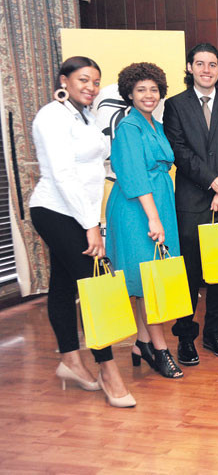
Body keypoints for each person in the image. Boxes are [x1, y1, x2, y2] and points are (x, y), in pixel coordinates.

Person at [30, 56, 135, 407]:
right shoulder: (51, 116)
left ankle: (71, 361)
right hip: (56, 210)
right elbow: (62, 175)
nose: (90, 87)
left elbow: (92, 172)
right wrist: (91, 226)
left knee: (63, 284)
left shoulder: (85, 115)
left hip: (80, 212)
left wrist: (93, 220)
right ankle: (108, 371)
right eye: (83, 80)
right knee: (96, 287)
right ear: (64, 80)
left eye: (95, 82)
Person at [163, 43, 218, 365]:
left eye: (212, 64)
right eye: (200, 64)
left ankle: (214, 335)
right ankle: (186, 338)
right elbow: (179, 151)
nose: (206, 70)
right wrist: (212, 182)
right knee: (189, 276)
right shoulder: (174, 106)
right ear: (189, 68)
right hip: (190, 202)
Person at [106, 62, 183, 380]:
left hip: (159, 204)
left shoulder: (156, 125)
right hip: (137, 210)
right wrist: (153, 218)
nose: (148, 95)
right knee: (150, 281)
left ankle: (142, 343)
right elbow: (136, 176)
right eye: (141, 90)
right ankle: (161, 349)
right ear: (129, 94)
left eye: (153, 89)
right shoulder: (129, 128)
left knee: (146, 279)